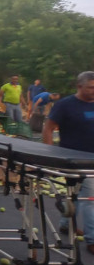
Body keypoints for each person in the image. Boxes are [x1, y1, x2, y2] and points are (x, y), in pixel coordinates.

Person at [43, 71, 94, 254]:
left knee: (77, 195)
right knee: (90, 198)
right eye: (91, 87)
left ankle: (65, 224)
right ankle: (92, 239)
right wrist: (50, 155)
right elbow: (48, 128)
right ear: (79, 87)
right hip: (73, 160)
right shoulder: (65, 105)